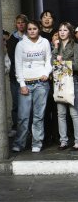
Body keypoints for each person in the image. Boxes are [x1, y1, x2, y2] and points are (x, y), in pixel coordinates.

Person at [12, 20, 52, 153]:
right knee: (23, 116)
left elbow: (49, 60)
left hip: (41, 83)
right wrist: (22, 84)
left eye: (34, 28)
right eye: (29, 29)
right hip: (26, 85)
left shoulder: (45, 42)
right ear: (27, 31)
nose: (32, 31)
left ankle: (37, 143)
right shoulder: (20, 44)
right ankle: (19, 143)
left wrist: (46, 73)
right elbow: (18, 65)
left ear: (39, 29)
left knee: (38, 116)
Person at [51, 22, 78, 151]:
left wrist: (64, 62)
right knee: (60, 113)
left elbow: (77, 65)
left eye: (65, 30)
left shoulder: (75, 46)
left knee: (74, 113)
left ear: (70, 32)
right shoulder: (56, 46)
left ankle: (77, 141)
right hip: (59, 82)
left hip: (72, 81)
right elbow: (52, 63)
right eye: (60, 30)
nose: (62, 32)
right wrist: (55, 48)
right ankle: (63, 141)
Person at [7, 14, 28, 137]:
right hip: (15, 75)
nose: (20, 24)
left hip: (29, 75)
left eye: (23, 22)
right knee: (16, 103)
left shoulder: (30, 37)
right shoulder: (12, 39)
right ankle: (15, 127)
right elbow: (12, 57)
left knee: (27, 103)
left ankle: (27, 128)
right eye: (18, 22)